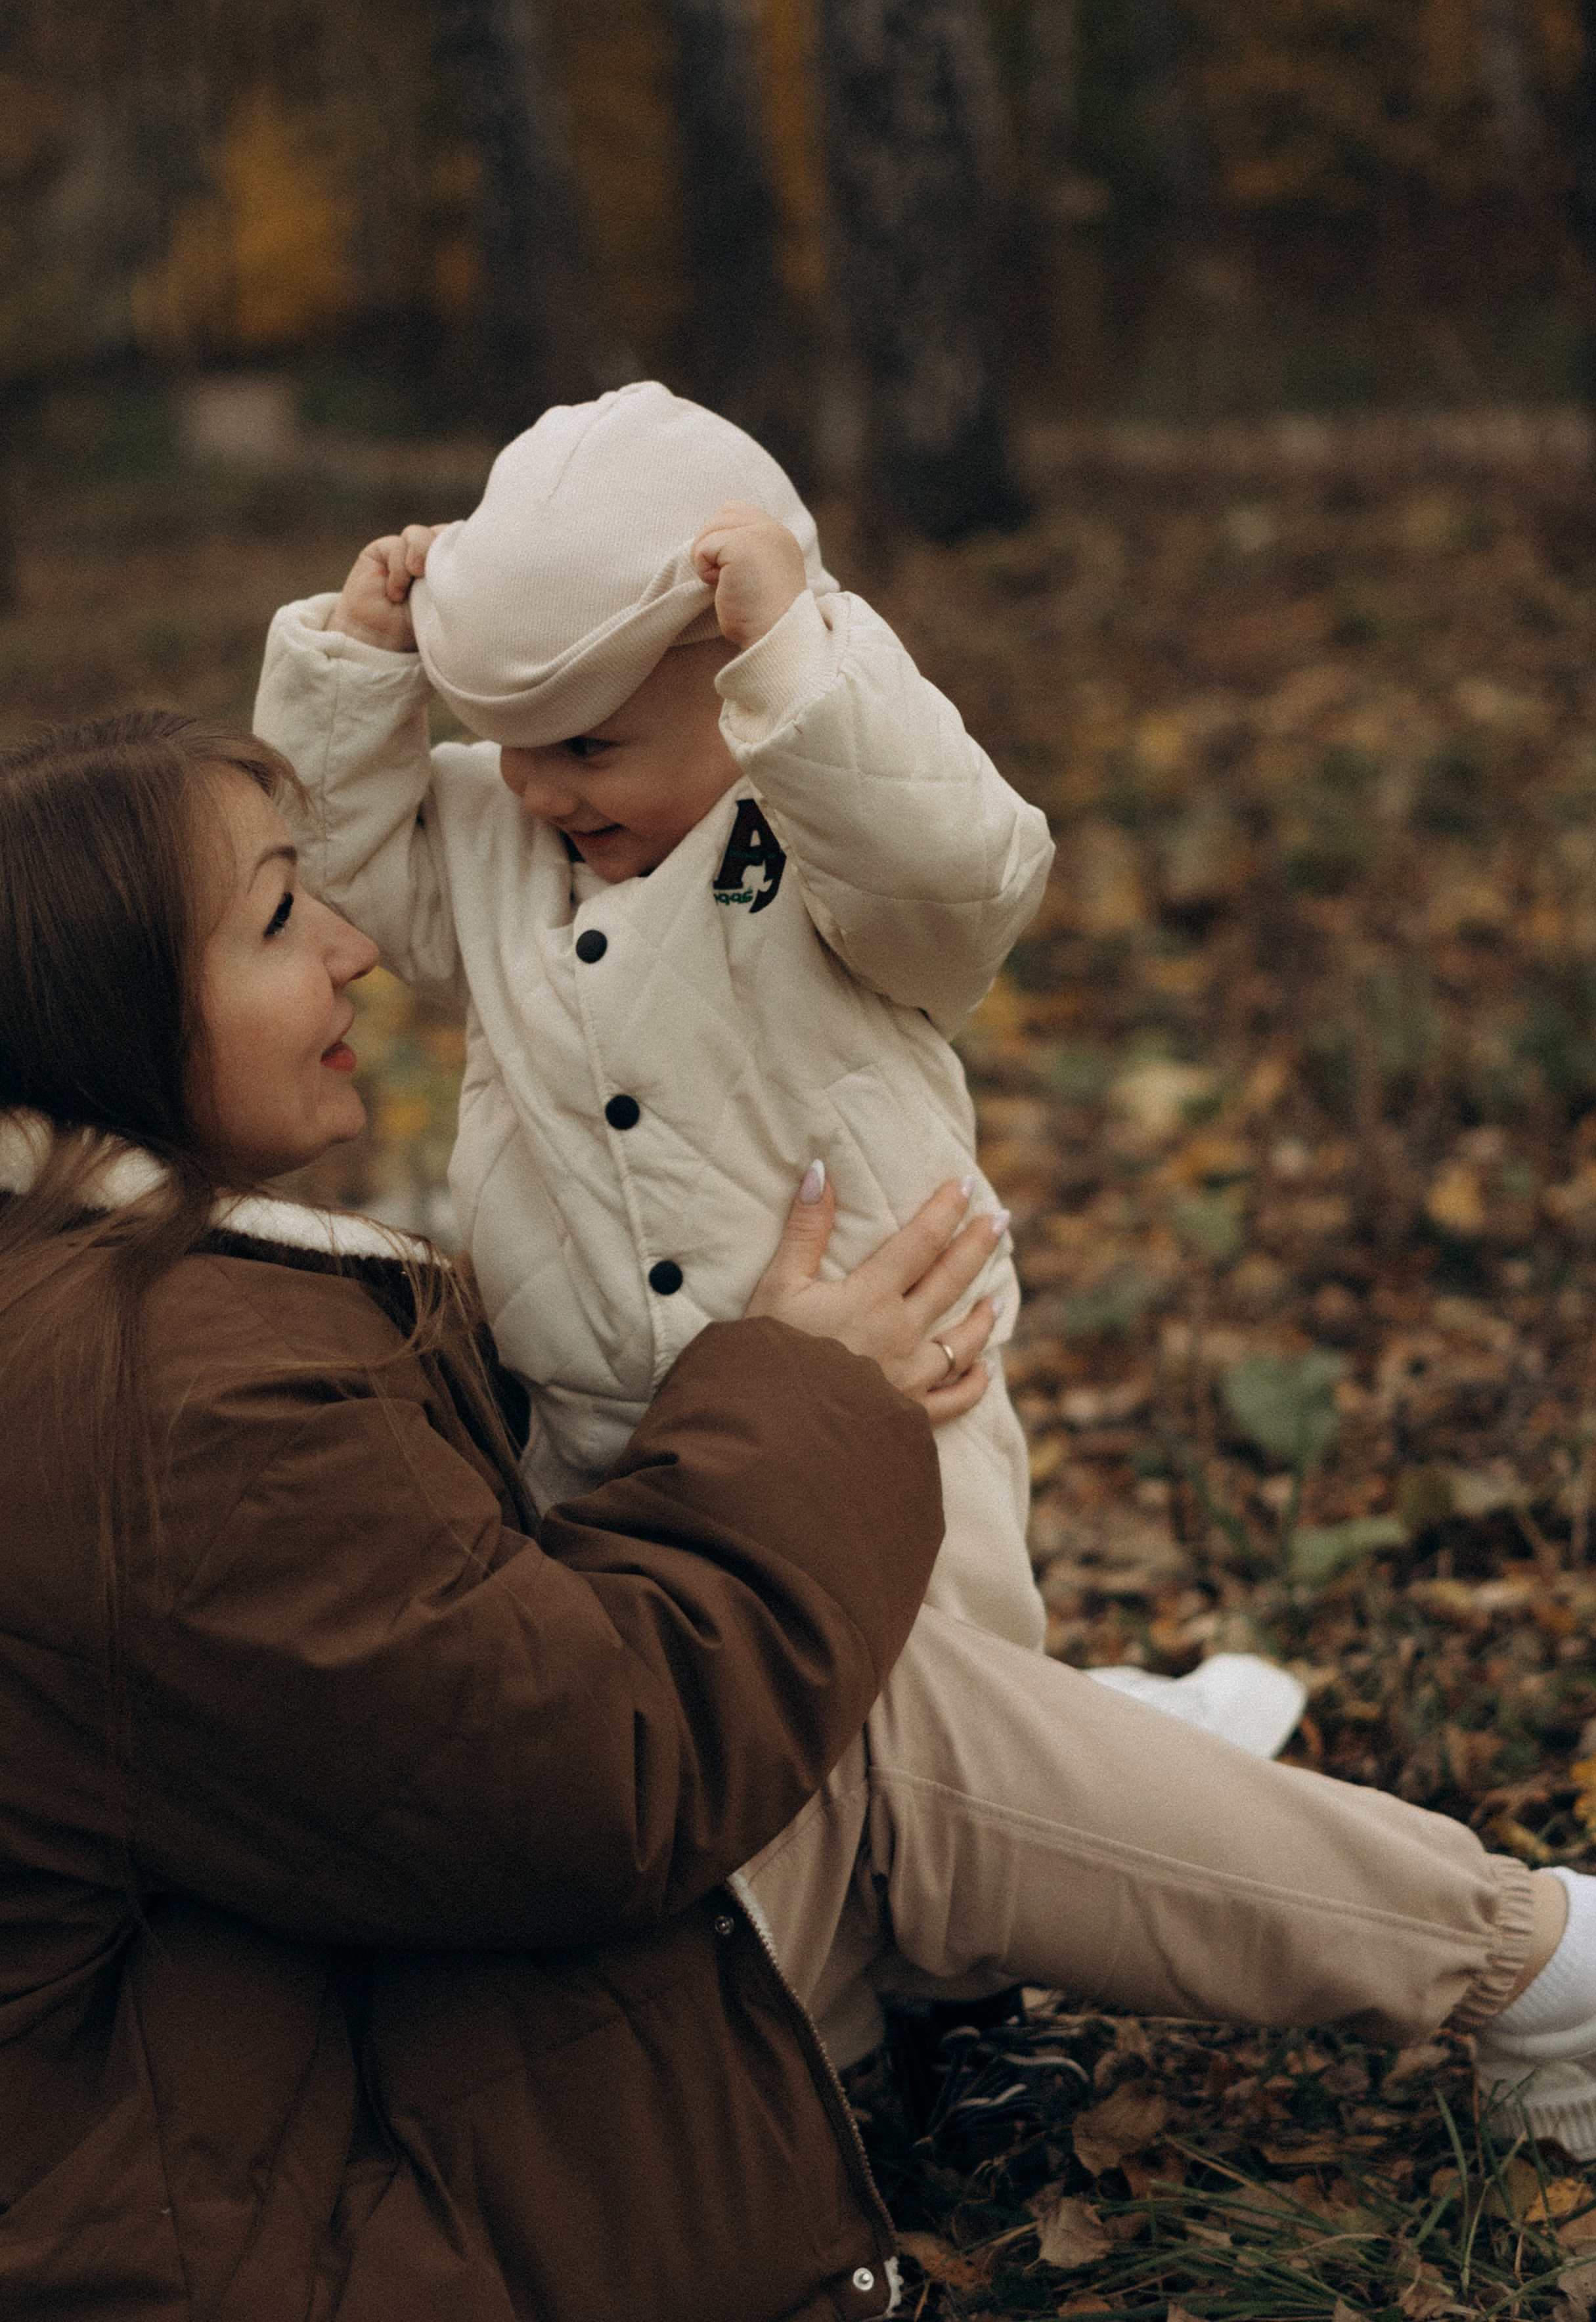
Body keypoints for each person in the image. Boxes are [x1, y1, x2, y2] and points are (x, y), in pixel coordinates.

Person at [2, 715, 1596, 2322]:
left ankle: (1479, 1942)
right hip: (300, 2231)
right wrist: (797, 1396)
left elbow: (427, 1675)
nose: (354, 948)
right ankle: (1562, 1981)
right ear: (105, 1016)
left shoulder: (87, 1320)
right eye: (284, 913)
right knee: (856, 1721)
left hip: (276, 2074)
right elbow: (596, 1772)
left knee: (832, 1687)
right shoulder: (149, 1398)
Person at [251, 380, 1304, 1760]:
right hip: (595, 1422)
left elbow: (956, 880)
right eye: (506, 746)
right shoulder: (499, 841)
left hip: (886, 1382)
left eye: (587, 746)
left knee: (942, 1694)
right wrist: (353, 668)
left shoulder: (819, 825)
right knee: (705, 1719)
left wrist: (802, 665)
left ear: (734, 682)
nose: (539, 790)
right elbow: (336, 888)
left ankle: (1018, 1882)